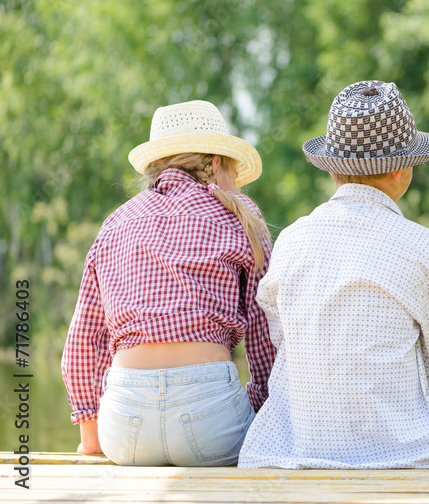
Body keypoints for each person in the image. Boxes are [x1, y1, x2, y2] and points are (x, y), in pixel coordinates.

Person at [238, 80, 429, 469]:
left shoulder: (292, 240)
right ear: (401, 169)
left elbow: (284, 339)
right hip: (406, 453)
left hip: (297, 447)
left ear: (332, 169)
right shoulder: (425, 248)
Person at [61, 100, 276, 466]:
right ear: (216, 162)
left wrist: (91, 435)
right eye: (233, 171)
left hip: (125, 426)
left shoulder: (117, 223)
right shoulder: (238, 212)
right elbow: (264, 332)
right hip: (210, 415)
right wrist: (260, 407)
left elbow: (83, 340)